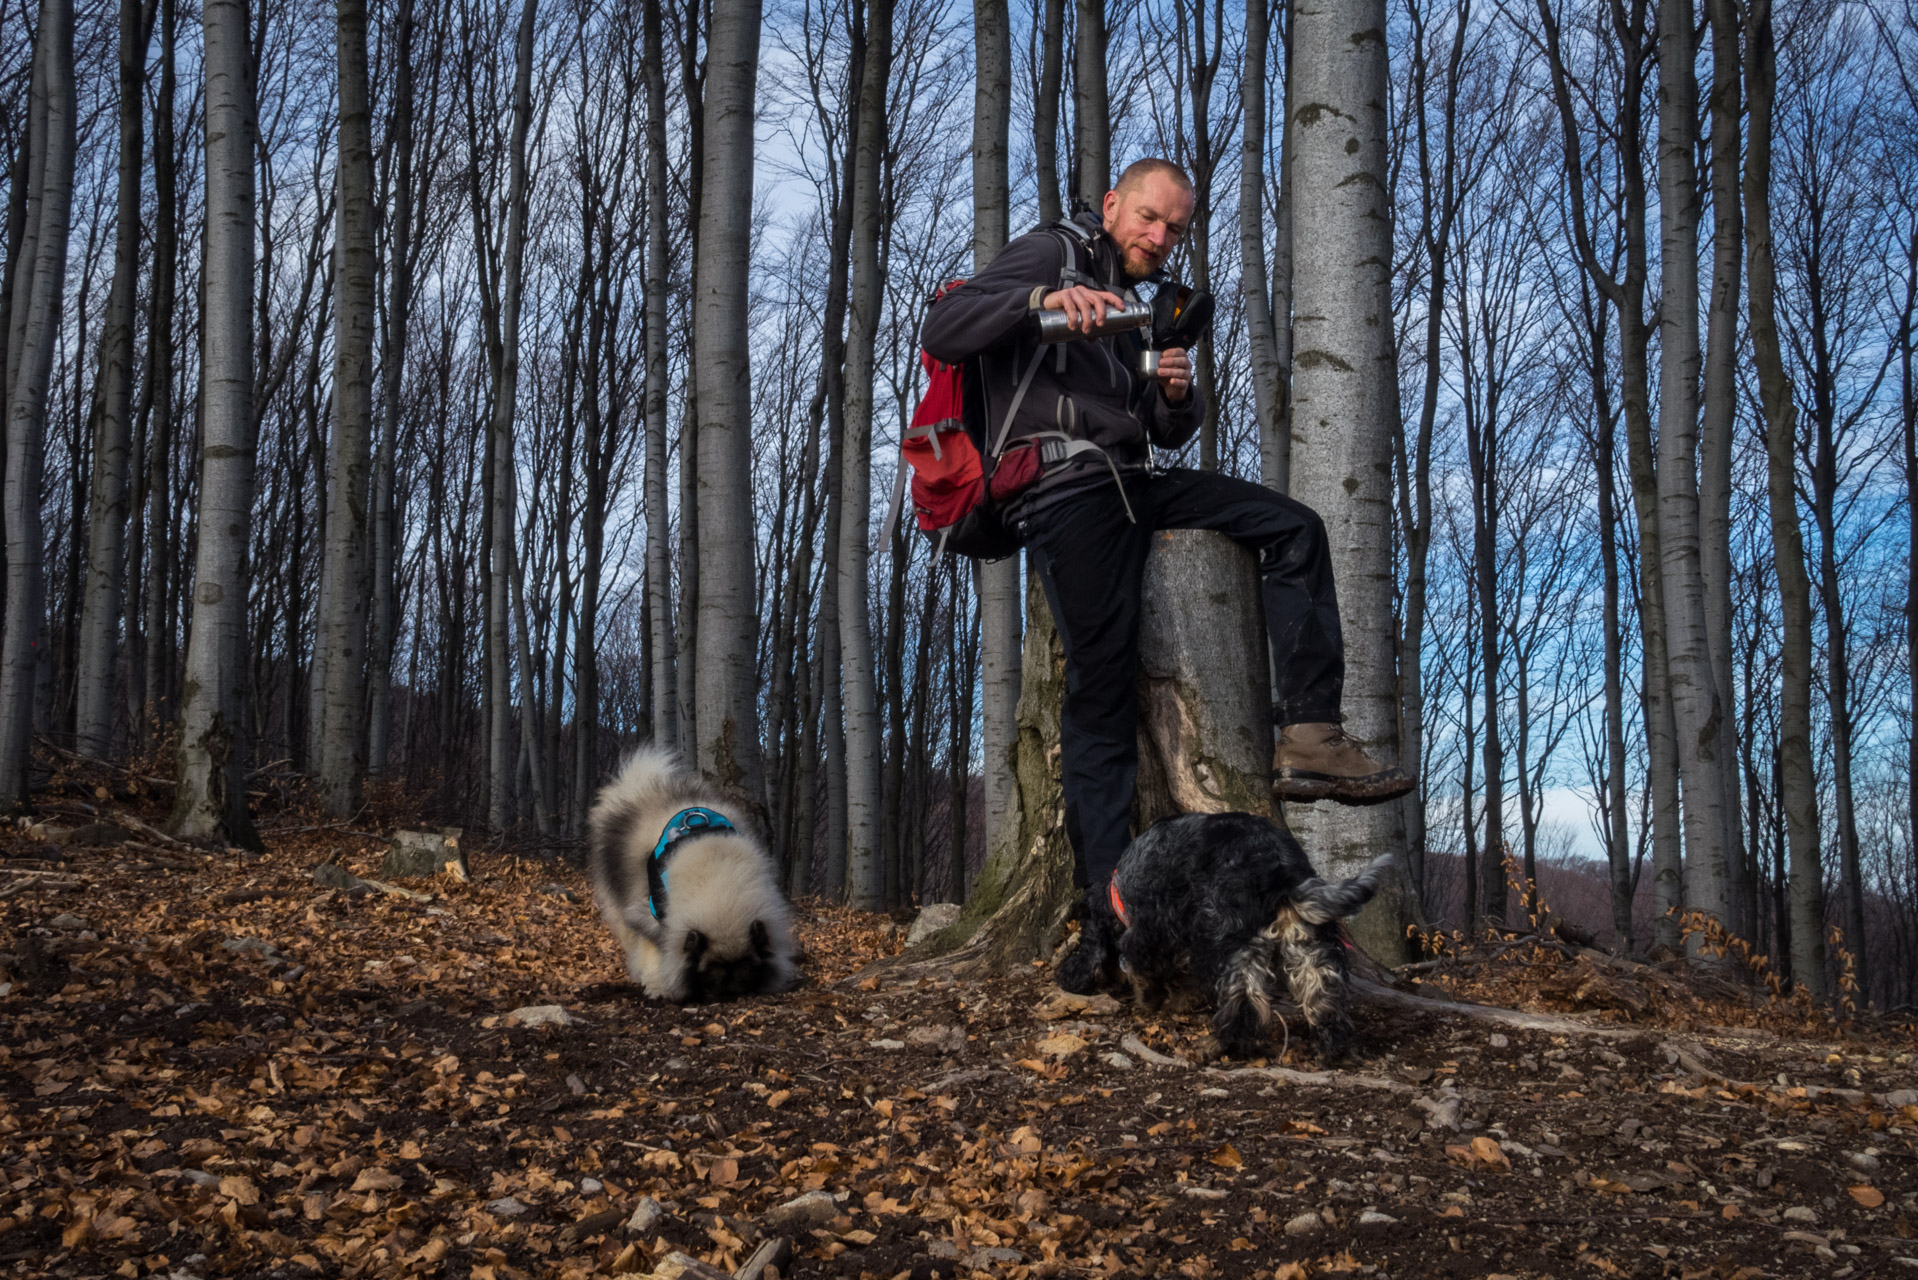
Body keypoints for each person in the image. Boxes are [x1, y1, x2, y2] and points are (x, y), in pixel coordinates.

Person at [921, 157, 1413, 940]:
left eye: (1175, 229)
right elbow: (943, 326)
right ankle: (1108, 914)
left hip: (1130, 480)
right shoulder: (1054, 252)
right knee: (1102, 692)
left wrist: (1173, 394)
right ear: (1113, 204)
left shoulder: (1137, 300)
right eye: (1148, 218)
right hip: (1065, 493)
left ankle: (1311, 734)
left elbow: (1157, 428)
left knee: (1294, 526)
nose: (1159, 237)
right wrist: (1044, 297)